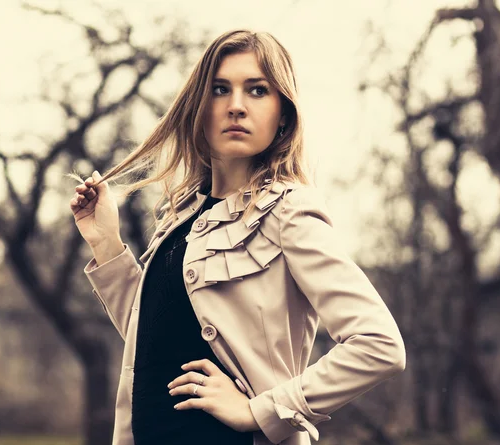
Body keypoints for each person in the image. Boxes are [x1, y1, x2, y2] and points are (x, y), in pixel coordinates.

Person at [69, 29, 405, 445]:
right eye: (220, 89)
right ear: (198, 107)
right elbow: (153, 341)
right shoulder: (180, 217)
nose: (237, 106)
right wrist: (106, 244)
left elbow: (379, 344)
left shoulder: (289, 211)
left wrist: (260, 411)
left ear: (283, 114)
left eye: (258, 90)